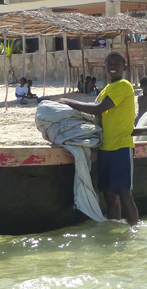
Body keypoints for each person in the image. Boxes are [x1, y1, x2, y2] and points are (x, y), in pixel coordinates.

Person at [59, 51, 139, 225]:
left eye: (117, 64)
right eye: (109, 63)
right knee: (109, 195)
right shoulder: (106, 89)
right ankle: (114, 229)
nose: (112, 66)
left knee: (124, 193)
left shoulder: (124, 85)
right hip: (105, 148)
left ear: (125, 67)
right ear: (104, 66)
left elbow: (99, 108)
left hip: (121, 147)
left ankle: (134, 231)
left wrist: (70, 102)